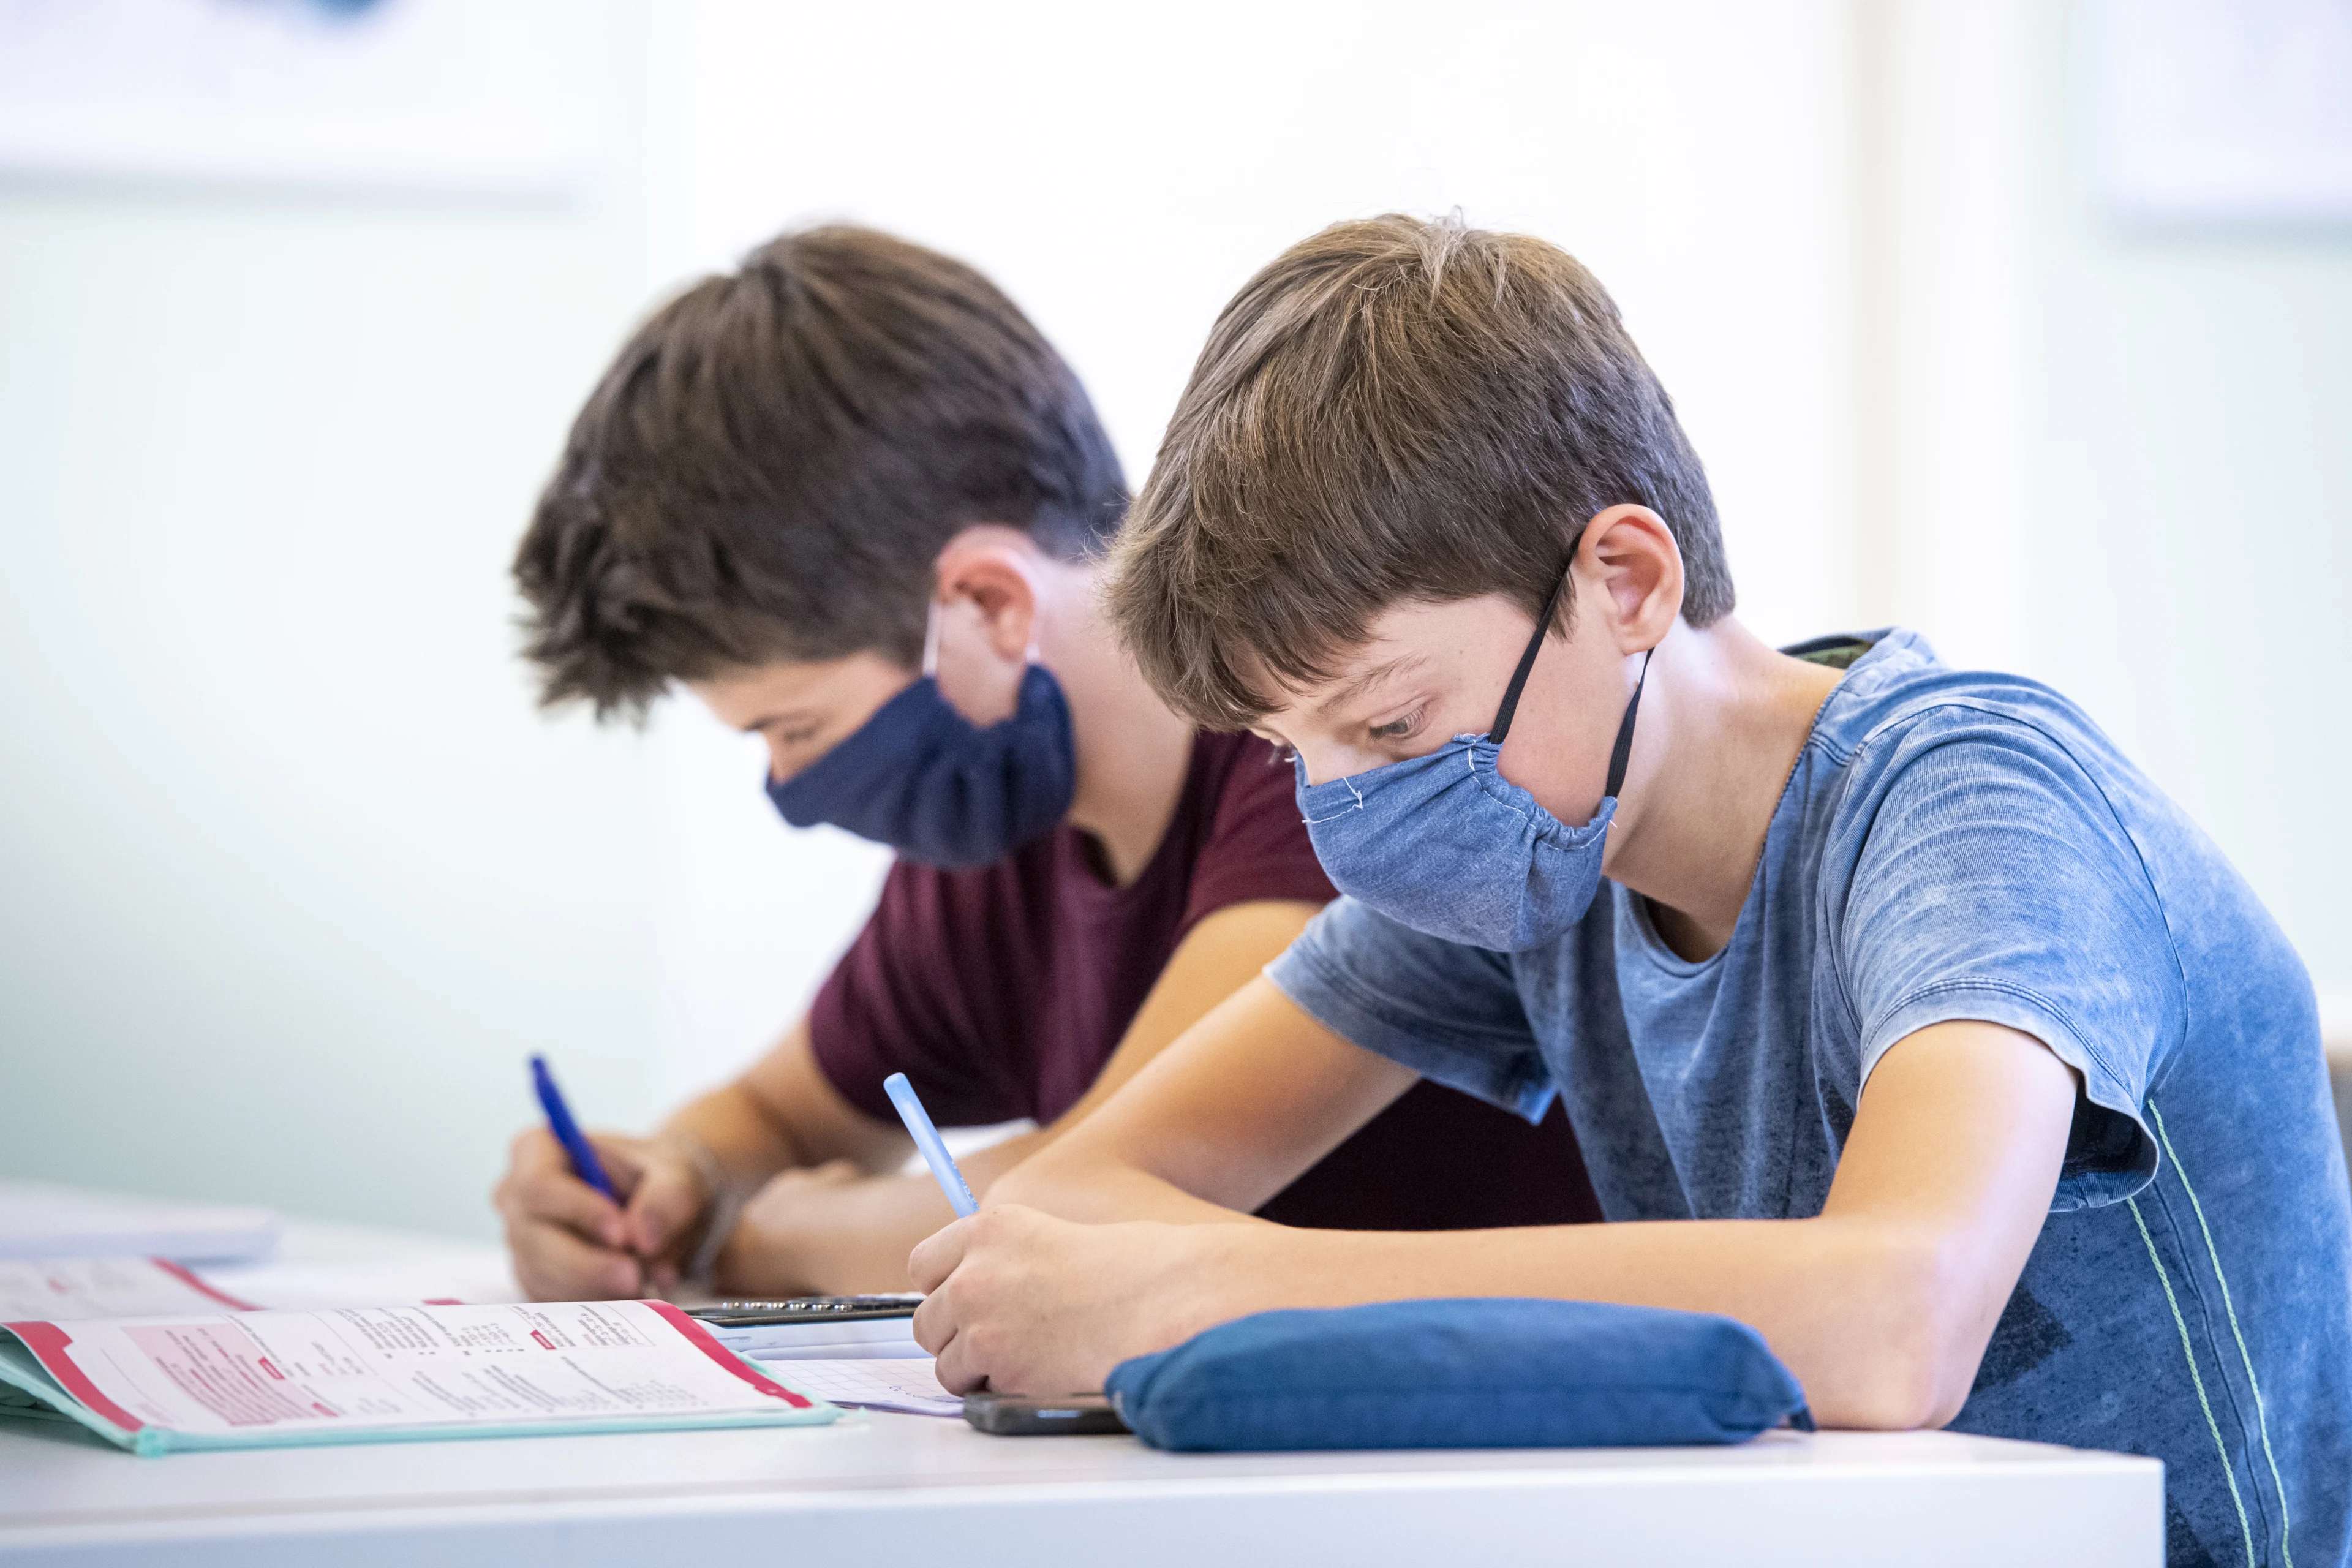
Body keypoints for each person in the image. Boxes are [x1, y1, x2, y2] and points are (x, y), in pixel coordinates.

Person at [907, 215, 2350, 1568]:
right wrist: (1118, 1268)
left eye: (1391, 724)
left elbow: (1895, 1319)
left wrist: (1216, 1287)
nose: (1351, 807)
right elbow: (1089, 1193)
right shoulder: (1546, 847)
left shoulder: (1970, 801)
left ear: (1625, 580)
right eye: (1298, 756)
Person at [493, 224, 1598, 1303]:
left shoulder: (1328, 762)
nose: (790, 786)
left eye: (798, 729)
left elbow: (1090, 1201)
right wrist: (673, 1184)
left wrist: (778, 1234)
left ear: (986, 603)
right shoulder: (1001, 841)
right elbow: (773, 1122)